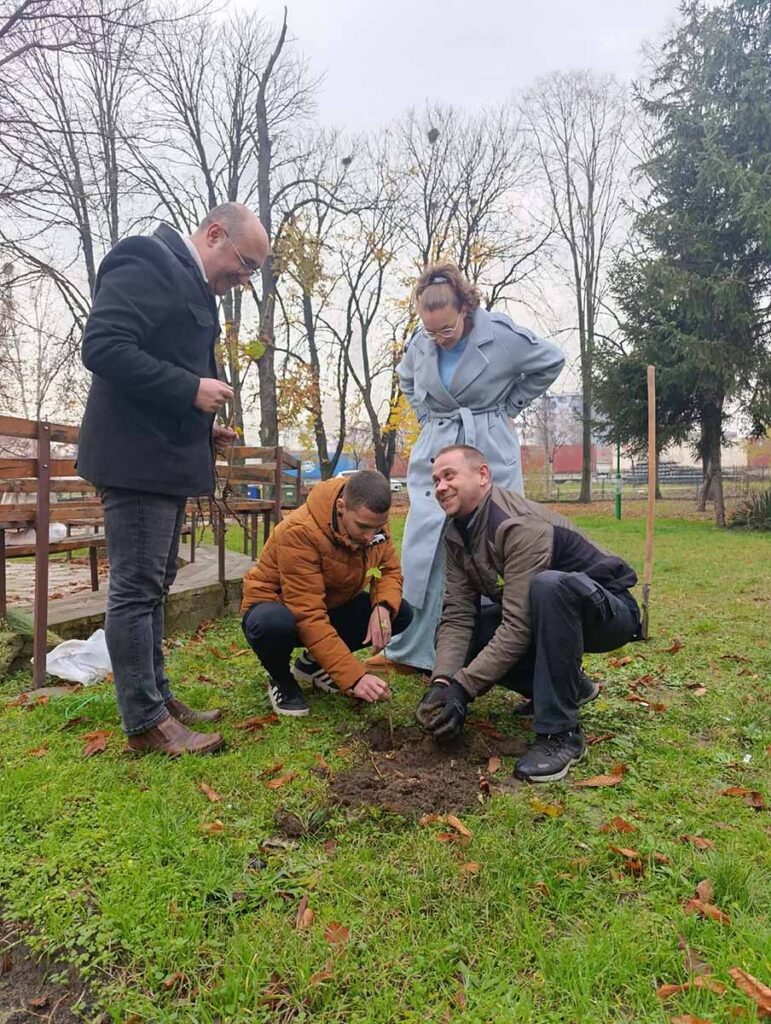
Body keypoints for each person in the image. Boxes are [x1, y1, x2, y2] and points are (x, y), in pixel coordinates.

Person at [78, 202, 269, 756]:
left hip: (162, 457)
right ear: (214, 234)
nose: (244, 279)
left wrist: (202, 426)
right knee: (136, 590)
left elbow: (158, 361)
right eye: (245, 264)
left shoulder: (192, 283)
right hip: (135, 460)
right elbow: (104, 347)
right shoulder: (147, 259)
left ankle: (157, 699)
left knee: (154, 586)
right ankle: (144, 721)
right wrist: (191, 389)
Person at [366, 262, 564, 676]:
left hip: (485, 448)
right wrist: (427, 416)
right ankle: (413, 649)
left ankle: (487, 649)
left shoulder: (502, 335)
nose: (439, 338)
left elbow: (551, 360)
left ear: (465, 308)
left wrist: (508, 407)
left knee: (489, 543)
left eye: (447, 329)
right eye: (431, 331)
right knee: (425, 545)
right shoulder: (421, 341)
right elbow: (405, 378)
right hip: (437, 449)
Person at [415, 446, 641, 783]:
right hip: (549, 615)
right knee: (476, 629)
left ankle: (561, 735)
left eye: (449, 476)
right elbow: (458, 615)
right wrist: (443, 682)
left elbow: (518, 627)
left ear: (482, 475)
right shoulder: (455, 533)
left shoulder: (517, 525)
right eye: (435, 480)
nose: (440, 487)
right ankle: (573, 687)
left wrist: (464, 688)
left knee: (549, 588)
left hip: (610, 611)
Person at [241, 471, 412, 716]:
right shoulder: (300, 531)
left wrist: (382, 607)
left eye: (376, 528)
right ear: (341, 507)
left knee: (400, 612)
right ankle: (281, 680)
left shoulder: (372, 523)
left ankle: (311, 665)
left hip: (329, 604)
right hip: (280, 607)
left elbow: (389, 571)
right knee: (271, 624)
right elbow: (307, 614)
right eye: (363, 527)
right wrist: (355, 677)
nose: (369, 536)